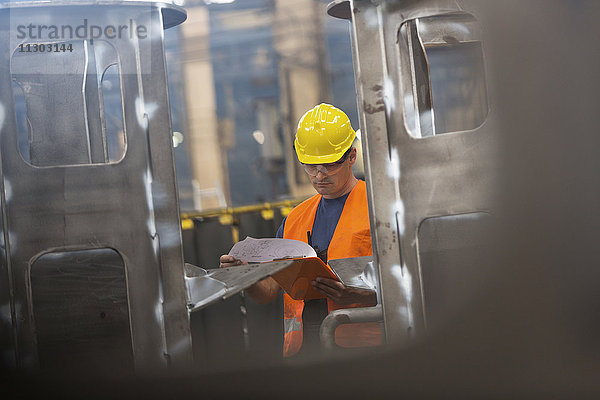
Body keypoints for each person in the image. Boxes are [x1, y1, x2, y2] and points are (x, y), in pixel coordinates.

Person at [220, 103, 381, 358]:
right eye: (309, 165)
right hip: (305, 355)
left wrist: (355, 294)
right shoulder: (295, 219)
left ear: (351, 156)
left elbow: (413, 284)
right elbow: (268, 292)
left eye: (328, 165)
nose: (318, 175)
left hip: (364, 353)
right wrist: (245, 277)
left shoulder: (378, 208)